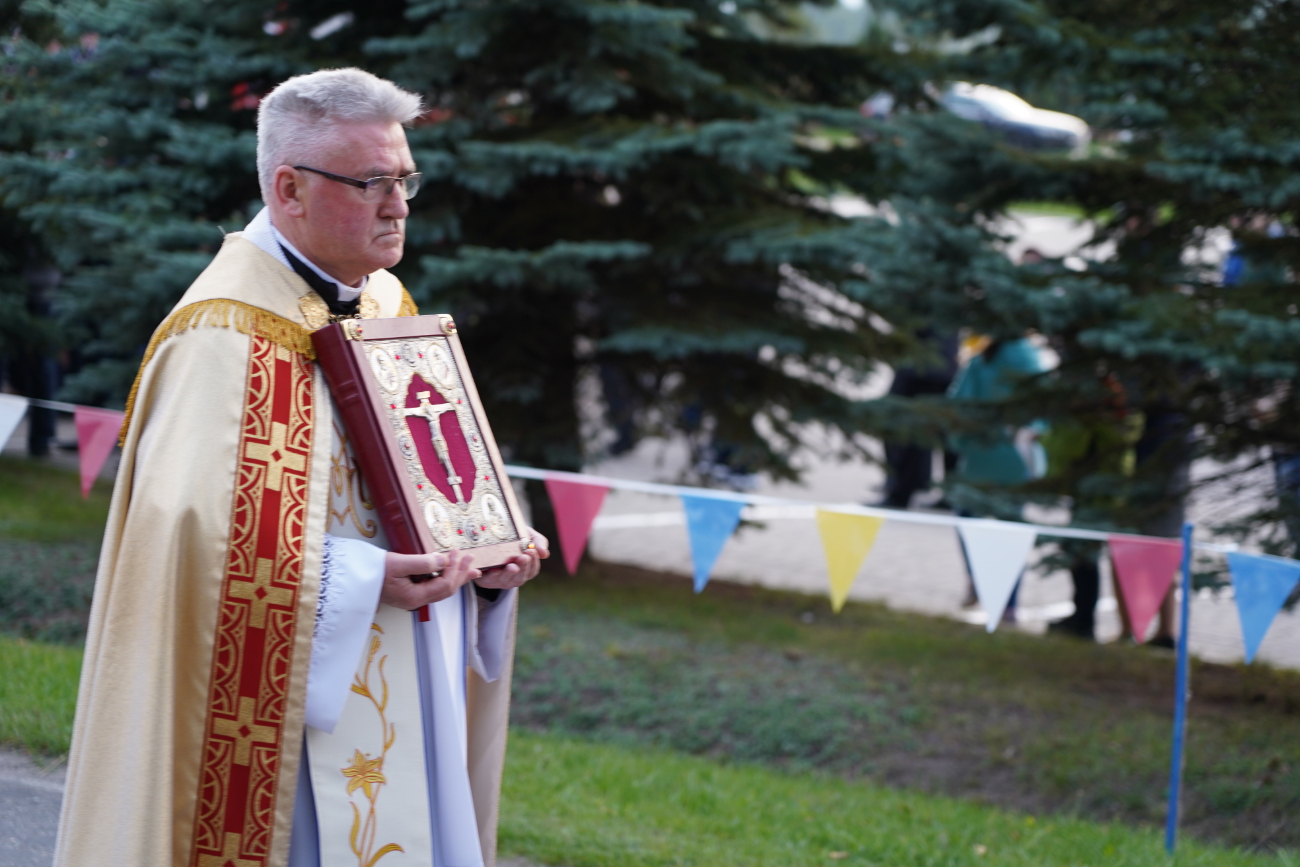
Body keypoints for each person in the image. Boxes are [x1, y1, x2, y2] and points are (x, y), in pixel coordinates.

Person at [53, 69, 548, 867]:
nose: (400, 205)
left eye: (405, 178)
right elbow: (192, 547)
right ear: (288, 188)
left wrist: (489, 555)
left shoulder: (387, 304)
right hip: (292, 722)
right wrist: (358, 578)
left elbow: (441, 475)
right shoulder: (221, 332)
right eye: (373, 183)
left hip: (408, 674)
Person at [947, 334, 1048, 621]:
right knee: (1011, 532)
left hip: (982, 453)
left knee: (967, 515)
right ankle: (1009, 606)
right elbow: (1046, 407)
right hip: (1018, 456)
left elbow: (959, 406)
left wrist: (961, 442)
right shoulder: (1033, 358)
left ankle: (977, 578)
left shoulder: (981, 359)